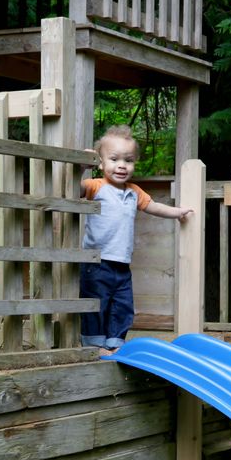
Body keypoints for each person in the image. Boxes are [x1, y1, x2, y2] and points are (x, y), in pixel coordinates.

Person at [79, 125, 193, 353]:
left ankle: (115, 342)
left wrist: (178, 212)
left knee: (122, 306)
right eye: (114, 159)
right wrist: (81, 169)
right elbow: (73, 190)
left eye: (128, 160)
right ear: (101, 163)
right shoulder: (95, 186)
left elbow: (154, 207)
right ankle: (94, 345)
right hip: (95, 261)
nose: (121, 165)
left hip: (121, 264)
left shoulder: (134, 192)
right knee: (95, 303)